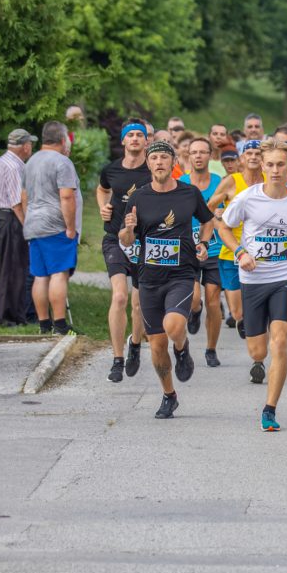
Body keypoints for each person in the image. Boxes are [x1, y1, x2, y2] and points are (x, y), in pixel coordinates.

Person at [220, 142, 287, 432]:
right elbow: (223, 227)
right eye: (270, 164)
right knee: (258, 351)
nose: (275, 170)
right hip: (252, 279)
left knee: (280, 342)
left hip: (282, 279)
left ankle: (270, 409)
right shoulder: (246, 199)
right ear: (262, 166)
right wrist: (240, 252)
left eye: (280, 164)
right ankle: (256, 354)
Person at [118, 140, 213, 417]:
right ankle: (169, 395)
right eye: (154, 158)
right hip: (149, 277)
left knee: (173, 326)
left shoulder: (189, 193)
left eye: (163, 157)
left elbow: (207, 220)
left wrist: (203, 243)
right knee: (157, 344)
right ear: (148, 164)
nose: (159, 162)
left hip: (182, 273)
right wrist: (128, 230)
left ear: (173, 162)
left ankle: (182, 348)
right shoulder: (139, 197)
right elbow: (126, 239)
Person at [98, 121, 152, 383]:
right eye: (130, 135)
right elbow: (102, 189)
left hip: (144, 242)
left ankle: (136, 346)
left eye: (139, 135)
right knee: (119, 297)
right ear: (123, 141)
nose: (135, 138)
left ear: (146, 141)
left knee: (138, 304)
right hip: (114, 239)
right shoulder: (111, 169)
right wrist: (103, 207)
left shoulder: (152, 170)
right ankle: (117, 359)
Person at [22, 121, 79, 335]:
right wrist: (70, 227)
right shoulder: (62, 162)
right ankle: (60, 324)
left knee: (40, 275)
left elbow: (23, 196)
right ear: (63, 140)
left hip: (34, 224)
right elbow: (67, 196)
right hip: (55, 225)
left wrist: (28, 219)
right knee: (58, 274)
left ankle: (44, 324)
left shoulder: (30, 162)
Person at [209, 140, 264, 334]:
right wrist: (220, 226)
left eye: (258, 153)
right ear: (242, 158)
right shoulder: (232, 181)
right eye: (249, 153)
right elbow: (208, 209)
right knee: (237, 311)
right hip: (232, 251)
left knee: (259, 305)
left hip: (261, 251)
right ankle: (245, 321)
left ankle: (257, 329)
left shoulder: (270, 180)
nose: (253, 157)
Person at [180, 136, 226, 367]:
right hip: (187, 250)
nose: (198, 156)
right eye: (194, 152)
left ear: (210, 155)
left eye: (202, 152)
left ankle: (211, 349)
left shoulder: (220, 183)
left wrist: (222, 215)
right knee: (194, 299)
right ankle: (194, 311)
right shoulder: (179, 183)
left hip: (215, 249)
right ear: (188, 156)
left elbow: (230, 214)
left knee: (213, 301)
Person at [0, 128, 37, 327]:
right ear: (24, 146)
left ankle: (15, 314)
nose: (31, 147)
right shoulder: (14, 167)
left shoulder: (2, 161)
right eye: (30, 144)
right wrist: (27, 226)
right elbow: (17, 202)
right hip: (10, 218)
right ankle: (7, 316)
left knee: (14, 266)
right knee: (13, 267)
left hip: (2, 217)